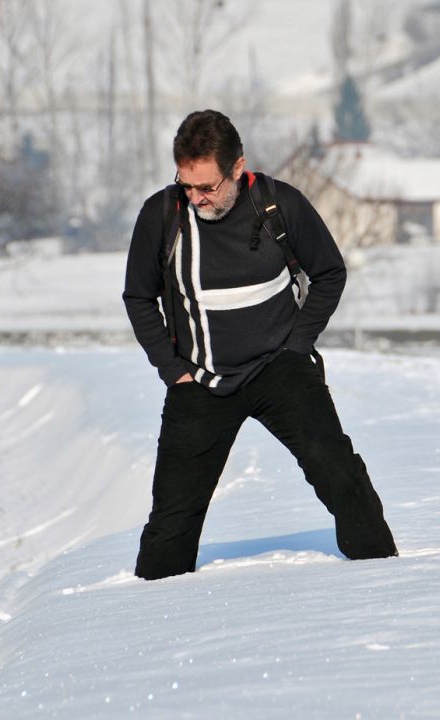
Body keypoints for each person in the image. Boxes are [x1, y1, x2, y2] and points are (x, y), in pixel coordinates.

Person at [123, 109, 397, 581]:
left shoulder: (278, 205)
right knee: (171, 522)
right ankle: (155, 617)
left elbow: (329, 272)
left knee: (341, 474)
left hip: (280, 368)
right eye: (186, 185)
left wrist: (298, 345)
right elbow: (138, 297)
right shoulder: (162, 215)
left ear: (237, 168)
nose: (197, 198)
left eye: (208, 187)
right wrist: (173, 370)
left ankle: (383, 577)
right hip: (199, 379)